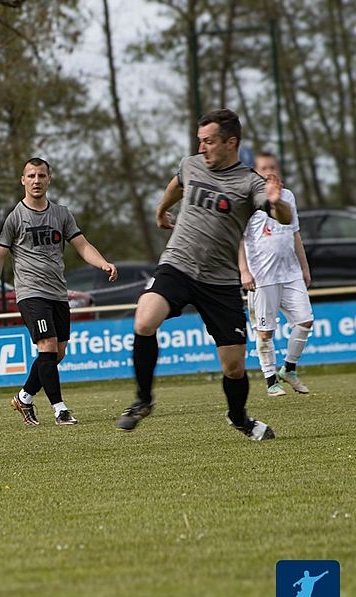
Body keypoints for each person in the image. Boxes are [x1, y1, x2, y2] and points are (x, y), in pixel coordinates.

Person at [116, 109, 293, 440]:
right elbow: (177, 184)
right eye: (200, 141)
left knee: (234, 367)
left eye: (209, 142)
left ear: (231, 142)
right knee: (144, 321)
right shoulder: (191, 164)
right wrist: (160, 210)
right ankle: (143, 400)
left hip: (220, 281)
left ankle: (239, 418)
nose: (202, 149)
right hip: (178, 264)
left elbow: (281, 215)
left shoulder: (249, 182)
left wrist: (277, 200)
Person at [0, 157, 117, 426]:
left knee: (57, 353)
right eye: (31, 176)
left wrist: (103, 263)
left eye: (41, 175)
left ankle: (24, 397)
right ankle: (60, 409)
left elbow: (82, 244)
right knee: (47, 346)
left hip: (58, 293)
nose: (36, 180)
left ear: (49, 179)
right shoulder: (14, 217)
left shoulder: (61, 214)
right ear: (23, 180)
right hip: (31, 293)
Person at [238, 152, 313, 397]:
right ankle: (271, 381)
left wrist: (304, 267)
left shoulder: (287, 196)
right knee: (265, 331)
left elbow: (295, 233)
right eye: (264, 167)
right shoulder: (247, 200)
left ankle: (288, 368)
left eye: (273, 166)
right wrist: (244, 271)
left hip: (290, 272)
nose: (269, 170)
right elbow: (239, 239)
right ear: (255, 171)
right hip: (262, 275)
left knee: (305, 320)